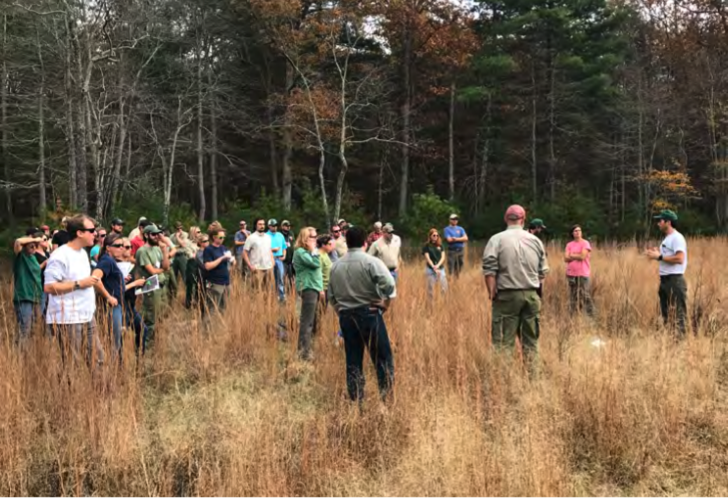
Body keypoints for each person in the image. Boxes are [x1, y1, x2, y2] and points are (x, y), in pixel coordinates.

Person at [328, 226, 396, 403]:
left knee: (353, 359)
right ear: (365, 243)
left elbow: (331, 296)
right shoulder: (370, 262)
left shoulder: (336, 266)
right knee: (382, 357)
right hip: (370, 313)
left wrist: (340, 311)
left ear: (346, 242)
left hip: (347, 317)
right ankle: (386, 399)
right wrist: (385, 303)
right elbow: (389, 284)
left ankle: (356, 401)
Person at [483, 205, 549, 367]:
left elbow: (489, 270)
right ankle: (533, 380)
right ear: (523, 219)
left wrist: (492, 294)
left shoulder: (496, 240)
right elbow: (542, 273)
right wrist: (537, 294)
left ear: (506, 219)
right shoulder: (535, 241)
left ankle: (503, 381)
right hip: (532, 295)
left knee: (503, 344)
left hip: (506, 296)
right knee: (531, 344)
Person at [44, 214, 104, 367]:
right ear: (79, 233)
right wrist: (79, 284)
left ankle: (100, 391)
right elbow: (49, 287)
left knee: (98, 360)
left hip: (87, 315)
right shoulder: (60, 255)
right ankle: (70, 391)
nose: (95, 234)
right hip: (68, 319)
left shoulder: (83, 253)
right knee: (72, 365)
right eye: (91, 230)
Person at [92, 234, 146, 362]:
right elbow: (95, 279)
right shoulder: (107, 261)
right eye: (117, 246)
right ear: (108, 247)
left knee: (116, 340)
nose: (121, 248)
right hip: (111, 306)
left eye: (123, 246)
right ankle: (113, 372)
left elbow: (112, 284)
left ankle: (118, 369)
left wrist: (122, 280)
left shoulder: (111, 261)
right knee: (114, 342)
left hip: (117, 304)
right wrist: (108, 297)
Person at [645, 209, 688, 336]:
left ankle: (680, 347)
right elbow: (666, 255)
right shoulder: (667, 239)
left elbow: (680, 258)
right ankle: (669, 345)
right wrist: (657, 252)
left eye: (660, 221)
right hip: (665, 281)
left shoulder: (677, 238)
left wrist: (659, 257)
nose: (658, 223)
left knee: (678, 316)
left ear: (668, 222)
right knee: (667, 316)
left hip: (674, 281)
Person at [135, 223, 171, 347]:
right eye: (153, 234)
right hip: (151, 285)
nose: (157, 236)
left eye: (158, 234)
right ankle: (147, 344)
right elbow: (152, 271)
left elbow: (166, 266)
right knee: (151, 316)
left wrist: (165, 250)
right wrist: (161, 270)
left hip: (161, 284)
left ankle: (156, 341)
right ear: (146, 235)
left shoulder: (157, 249)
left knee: (161, 313)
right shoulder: (142, 251)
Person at [293, 227, 323, 361]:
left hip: (314, 287)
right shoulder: (300, 252)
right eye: (312, 237)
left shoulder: (308, 252)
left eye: (316, 236)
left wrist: (321, 288)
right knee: (307, 321)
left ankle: (307, 348)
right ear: (305, 239)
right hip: (307, 287)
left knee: (312, 320)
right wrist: (314, 249)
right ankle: (303, 352)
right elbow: (316, 263)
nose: (315, 239)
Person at [116, 238, 149, 354]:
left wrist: (142, 285)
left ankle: (139, 358)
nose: (130, 249)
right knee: (119, 336)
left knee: (143, 329)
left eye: (130, 247)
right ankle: (118, 365)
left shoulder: (130, 265)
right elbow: (116, 289)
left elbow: (130, 287)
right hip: (120, 305)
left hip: (130, 305)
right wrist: (135, 283)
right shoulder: (115, 266)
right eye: (126, 247)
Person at [13, 231, 43, 342]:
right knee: (25, 328)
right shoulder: (21, 256)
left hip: (36, 296)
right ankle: (20, 356)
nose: (34, 248)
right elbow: (18, 241)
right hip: (24, 296)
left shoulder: (33, 258)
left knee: (34, 329)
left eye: (35, 246)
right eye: (31, 246)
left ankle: (30, 355)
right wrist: (34, 239)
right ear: (25, 247)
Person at [203, 226, 234, 320]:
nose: (222, 239)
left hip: (226, 282)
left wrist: (232, 260)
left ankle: (219, 329)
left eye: (224, 237)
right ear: (214, 237)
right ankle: (206, 331)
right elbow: (207, 266)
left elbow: (231, 262)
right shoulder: (208, 249)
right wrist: (222, 258)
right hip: (213, 283)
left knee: (224, 308)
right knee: (211, 309)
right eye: (221, 237)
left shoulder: (224, 248)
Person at [564, 224, 595, 317]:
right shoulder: (569, 244)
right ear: (572, 233)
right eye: (575, 231)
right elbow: (565, 258)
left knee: (584, 294)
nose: (578, 232)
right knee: (573, 295)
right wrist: (575, 255)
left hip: (582, 273)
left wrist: (572, 255)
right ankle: (573, 315)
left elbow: (582, 256)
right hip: (571, 273)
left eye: (579, 230)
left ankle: (591, 315)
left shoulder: (585, 243)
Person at [244, 218, 274, 292]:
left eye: (263, 224)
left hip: (268, 268)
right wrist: (250, 266)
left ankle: (267, 304)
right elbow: (244, 253)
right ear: (256, 225)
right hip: (257, 269)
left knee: (268, 292)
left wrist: (273, 262)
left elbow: (269, 250)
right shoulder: (251, 238)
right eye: (260, 224)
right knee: (256, 292)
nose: (262, 226)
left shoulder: (268, 237)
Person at [423, 228, 448, 299]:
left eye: (437, 235)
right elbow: (428, 258)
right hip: (430, 269)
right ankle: (431, 306)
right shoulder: (426, 246)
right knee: (430, 290)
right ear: (430, 236)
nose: (435, 237)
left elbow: (443, 257)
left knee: (444, 287)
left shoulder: (440, 245)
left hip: (440, 269)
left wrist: (437, 266)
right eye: (434, 235)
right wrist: (434, 267)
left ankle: (442, 303)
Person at [186, 234, 209, 310]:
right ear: (200, 243)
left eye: (208, 240)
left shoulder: (209, 251)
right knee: (203, 296)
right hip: (202, 277)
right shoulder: (199, 254)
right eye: (205, 241)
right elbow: (204, 266)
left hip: (210, 277)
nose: (207, 242)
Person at [267, 219, 287, 302]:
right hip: (269, 259)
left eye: (276, 226)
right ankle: (272, 295)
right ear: (269, 226)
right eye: (273, 226)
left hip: (279, 258)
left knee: (281, 277)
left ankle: (281, 296)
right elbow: (263, 249)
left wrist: (284, 256)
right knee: (271, 278)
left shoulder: (280, 235)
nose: (275, 227)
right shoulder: (266, 235)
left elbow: (284, 247)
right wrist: (272, 250)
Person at [444, 214, 468, 278]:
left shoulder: (460, 229)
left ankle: (456, 279)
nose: (455, 220)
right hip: (452, 251)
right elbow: (449, 240)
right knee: (451, 267)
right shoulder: (447, 229)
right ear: (450, 220)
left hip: (460, 250)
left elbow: (466, 238)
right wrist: (461, 239)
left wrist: (456, 239)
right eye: (453, 219)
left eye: (456, 219)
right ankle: (450, 280)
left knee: (460, 265)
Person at [33, 231, 51, 316]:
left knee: (48, 309)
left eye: (47, 239)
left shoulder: (47, 253)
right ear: (38, 241)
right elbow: (34, 269)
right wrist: (44, 263)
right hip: (40, 285)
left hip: (49, 284)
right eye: (44, 239)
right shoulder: (34, 254)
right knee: (40, 308)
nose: (47, 241)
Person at [170, 222, 190, 290]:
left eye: (181, 228)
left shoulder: (185, 235)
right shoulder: (172, 236)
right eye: (178, 229)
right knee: (173, 277)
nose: (180, 230)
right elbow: (171, 247)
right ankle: (172, 294)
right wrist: (178, 246)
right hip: (174, 256)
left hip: (182, 256)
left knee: (185, 275)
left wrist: (178, 237)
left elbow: (184, 245)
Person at [281, 220, 296, 290]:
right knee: (283, 277)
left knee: (291, 278)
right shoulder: (280, 235)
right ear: (282, 226)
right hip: (283, 260)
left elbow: (293, 244)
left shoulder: (291, 234)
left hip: (291, 260)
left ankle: (291, 292)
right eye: (286, 225)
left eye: (288, 226)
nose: (288, 227)